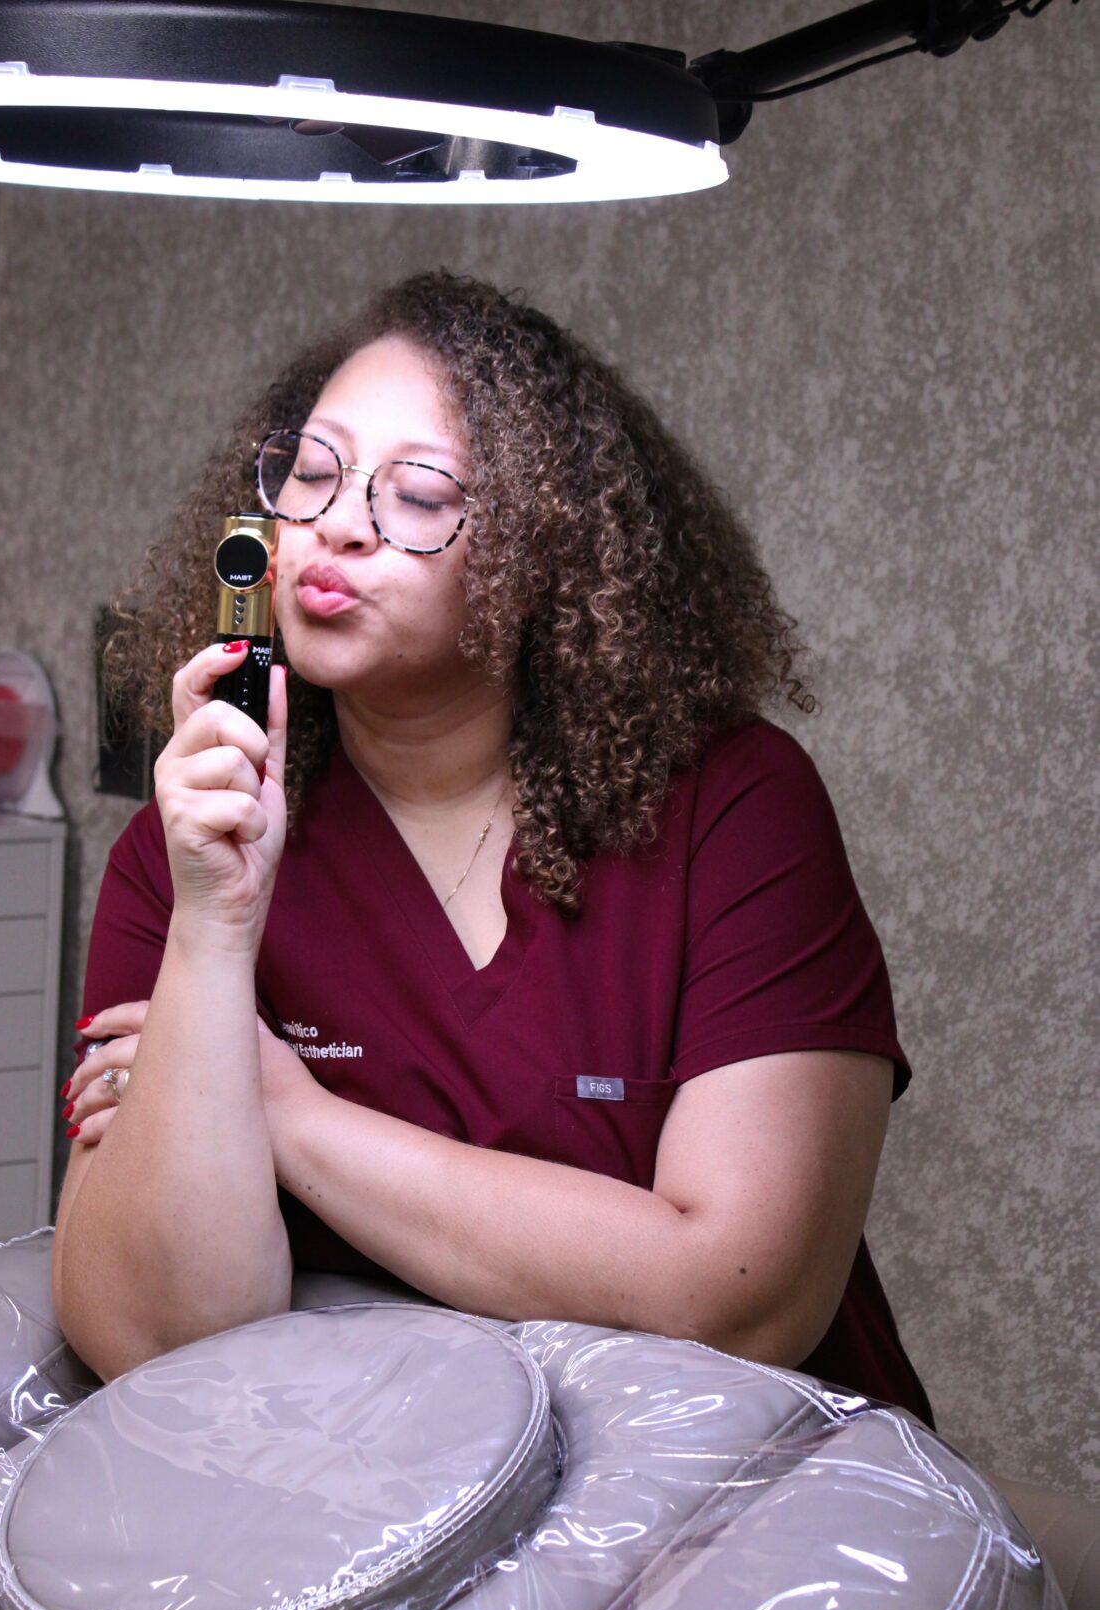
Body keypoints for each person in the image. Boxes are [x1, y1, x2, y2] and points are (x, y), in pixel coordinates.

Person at [52, 270, 933, 1425]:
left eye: (418, 494)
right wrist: (215, 934)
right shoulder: (186, 853)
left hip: (749, 1525)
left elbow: (741, 1299)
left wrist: (288, 1113)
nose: (338, 521)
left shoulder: (735, 807)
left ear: (543, 563)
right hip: (376, 1519)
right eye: (310, 473)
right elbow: (154, 1337)